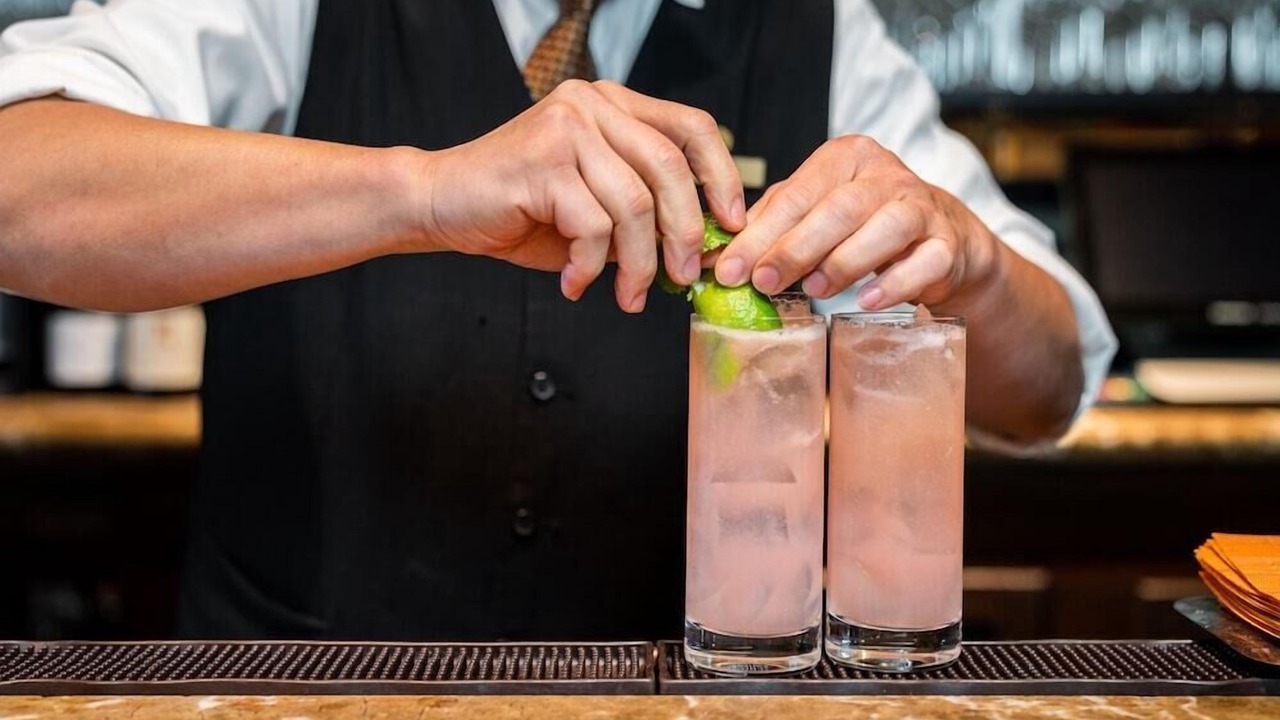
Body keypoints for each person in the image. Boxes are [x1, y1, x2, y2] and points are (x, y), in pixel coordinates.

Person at [0, 0, 1116, 640]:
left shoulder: (818, 29)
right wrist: (421, 191)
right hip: (305, 686)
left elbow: (1052, 383)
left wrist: (972, 265)